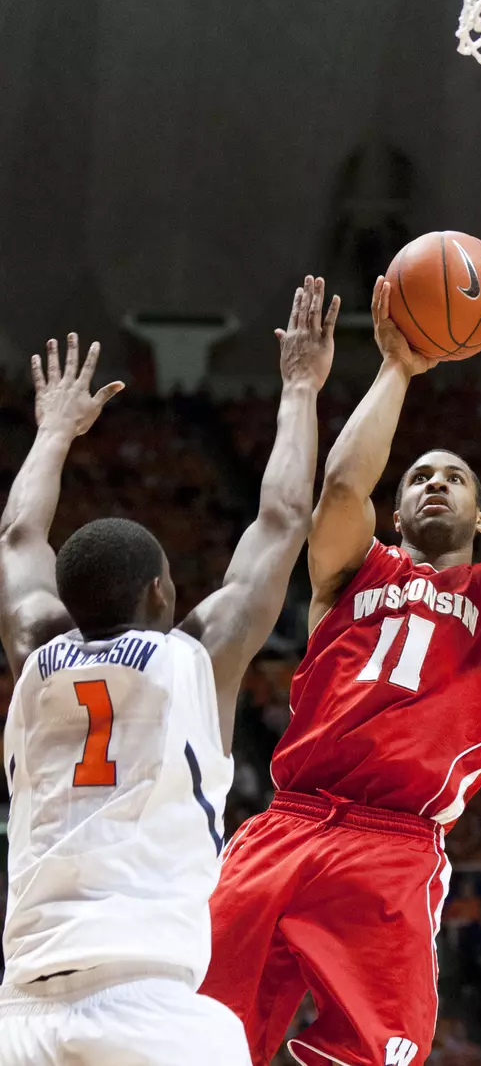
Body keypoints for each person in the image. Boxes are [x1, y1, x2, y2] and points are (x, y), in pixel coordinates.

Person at [202, 244, 481, 1066]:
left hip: (392, 845)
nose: (433, 483)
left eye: (454, 478)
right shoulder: (347, 569)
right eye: (417, 477)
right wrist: (396, 368)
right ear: (395, 510)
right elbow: (337, 491)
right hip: (285, 825)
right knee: (198, 1036)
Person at [0, 275, 339, 1065]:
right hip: (149, 1004)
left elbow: (19, 536)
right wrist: (299, 387)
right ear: (162, 590)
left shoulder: (33, 652)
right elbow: (284, 519)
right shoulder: (196, 660)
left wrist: (53, 431)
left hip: (21, 1008)